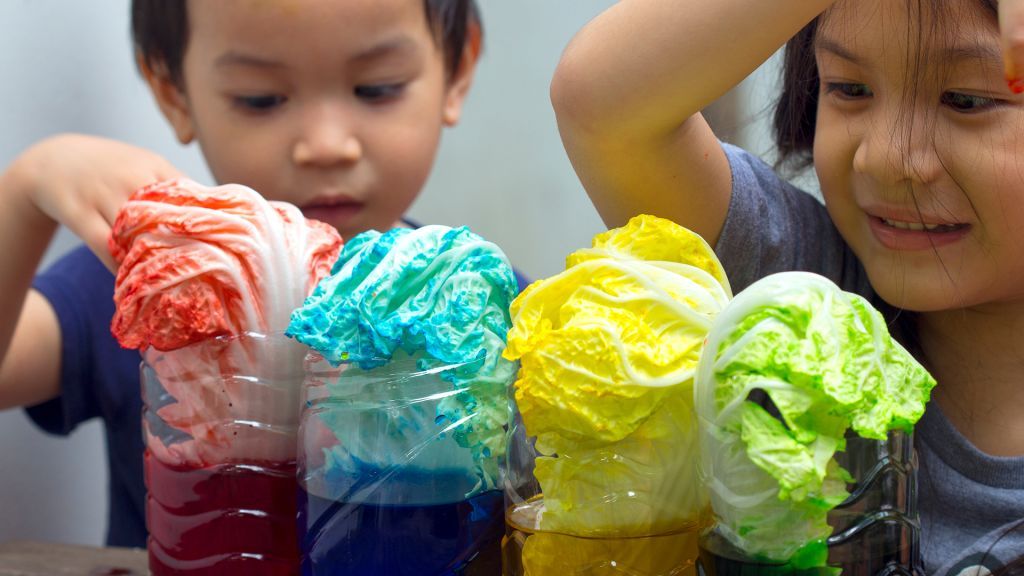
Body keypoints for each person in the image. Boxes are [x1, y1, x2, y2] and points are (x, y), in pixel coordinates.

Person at [0, 0, 530, 548]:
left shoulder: (475, 308)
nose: (326, 146)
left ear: (458, 70)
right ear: (172, 92)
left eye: (377, 87)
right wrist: (24, 189)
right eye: (261, 99)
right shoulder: (153, 286)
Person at [551, 0, 1024, 573]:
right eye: (850, 89)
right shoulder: (806, 298)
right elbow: (602, 105)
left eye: (966, 101)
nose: (885, 158)